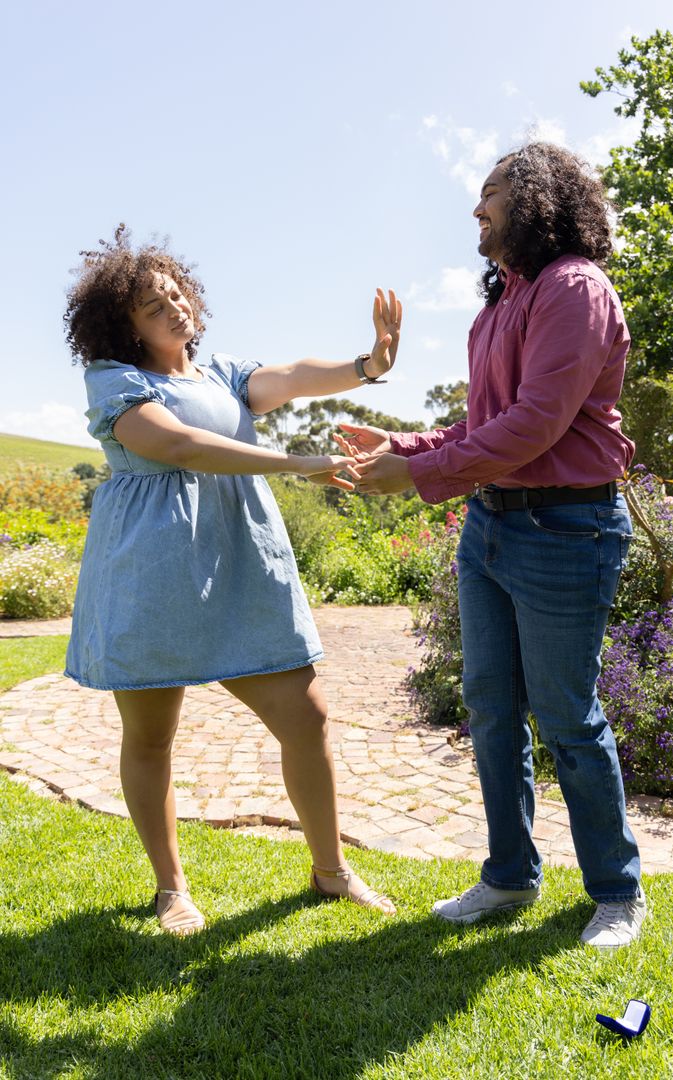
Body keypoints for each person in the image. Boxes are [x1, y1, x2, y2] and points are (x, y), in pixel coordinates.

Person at [337, 143, 646, 948]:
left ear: (537, 198)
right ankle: (508, 876)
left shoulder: (574, 288)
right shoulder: (501, 302)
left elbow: (537, 426)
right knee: (491, 707)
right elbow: (483, 427)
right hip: (491, 527)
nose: (476, 210)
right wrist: (406, 446)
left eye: (491, 194)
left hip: (565, 529)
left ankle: (616, 891)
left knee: (567, 717)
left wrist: (413, 477)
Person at [63, 225, 401, 934]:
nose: (175, 308)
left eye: (176, 293)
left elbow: (294, 377)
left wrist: (366, 365)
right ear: (122, 325)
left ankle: (331, 872)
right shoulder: (116, 381)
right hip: (152, 568)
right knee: (152, 736)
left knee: (305, 716)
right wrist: (297, 464)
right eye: (154, 306)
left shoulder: (220, 375)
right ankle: (170, 888)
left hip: (238, 562)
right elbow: (178, 445)